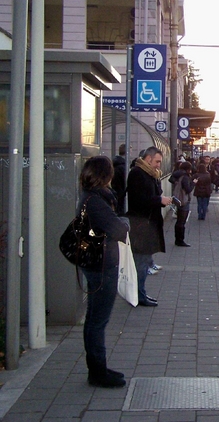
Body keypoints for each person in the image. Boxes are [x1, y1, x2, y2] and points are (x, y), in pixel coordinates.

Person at [78, 156, 129, 387]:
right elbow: (118, 228)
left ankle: (98, 367)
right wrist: (124, 224)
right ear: (106, 176)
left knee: (94, 319)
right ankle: (98, 373)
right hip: (101, 266)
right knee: (98, 321)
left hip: (96, 263)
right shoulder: (96, 201)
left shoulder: (90, 198)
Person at [126, 146, 172, 307]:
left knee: (144, 262)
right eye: (157, 161)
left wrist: (159, 193)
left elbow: (152, 194)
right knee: (141, 263)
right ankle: (138, 296)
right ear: (148, 159)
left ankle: (140, 293)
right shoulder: (137, 174)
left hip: (147, 224)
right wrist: (159, 200)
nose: (159, 165)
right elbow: (139, 200)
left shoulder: (150, 174)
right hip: (141, 226)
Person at [170, 161, 194, 246]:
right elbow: (188, 189)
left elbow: (171, 179)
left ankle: (177, 239)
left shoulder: (177, 174)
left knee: (179, 220)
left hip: (178, 199)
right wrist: (193, 183)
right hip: (184, 200)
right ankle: (180, 240)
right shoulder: (185, 177)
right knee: (182, 221)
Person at [111, 144, 127, 215]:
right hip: (120, 193)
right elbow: (125, 182)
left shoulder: (115, 164)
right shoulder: (123, 166)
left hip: (116, 192)